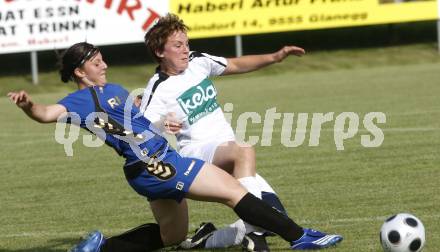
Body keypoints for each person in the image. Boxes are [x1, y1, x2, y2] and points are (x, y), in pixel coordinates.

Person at [8, 42, 343, 252]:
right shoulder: (77, 101)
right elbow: (47, 113)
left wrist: (157, 124)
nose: (105, 65)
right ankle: (299, 236)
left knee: (172, 236)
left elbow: (134, 124)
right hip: (158, 165)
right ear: (80, 71)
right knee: (232, 191)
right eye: (97, 62)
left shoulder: (117, 89)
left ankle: (100, 249)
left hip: (145, 168)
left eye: (103, 60)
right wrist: (28, 105)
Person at [140, 14, 339, 251]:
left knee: (274, 216)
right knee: (244, 151)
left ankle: (203, 241)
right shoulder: (158, 87)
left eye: (186, 43)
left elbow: (235, 64)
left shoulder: (197, 62)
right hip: (195, 154)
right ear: (160, 52)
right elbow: (142, 130)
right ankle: (261, 236)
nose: (185, 50)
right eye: (178, 45)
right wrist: (163, 124)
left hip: (224, 147)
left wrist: (275, 57)